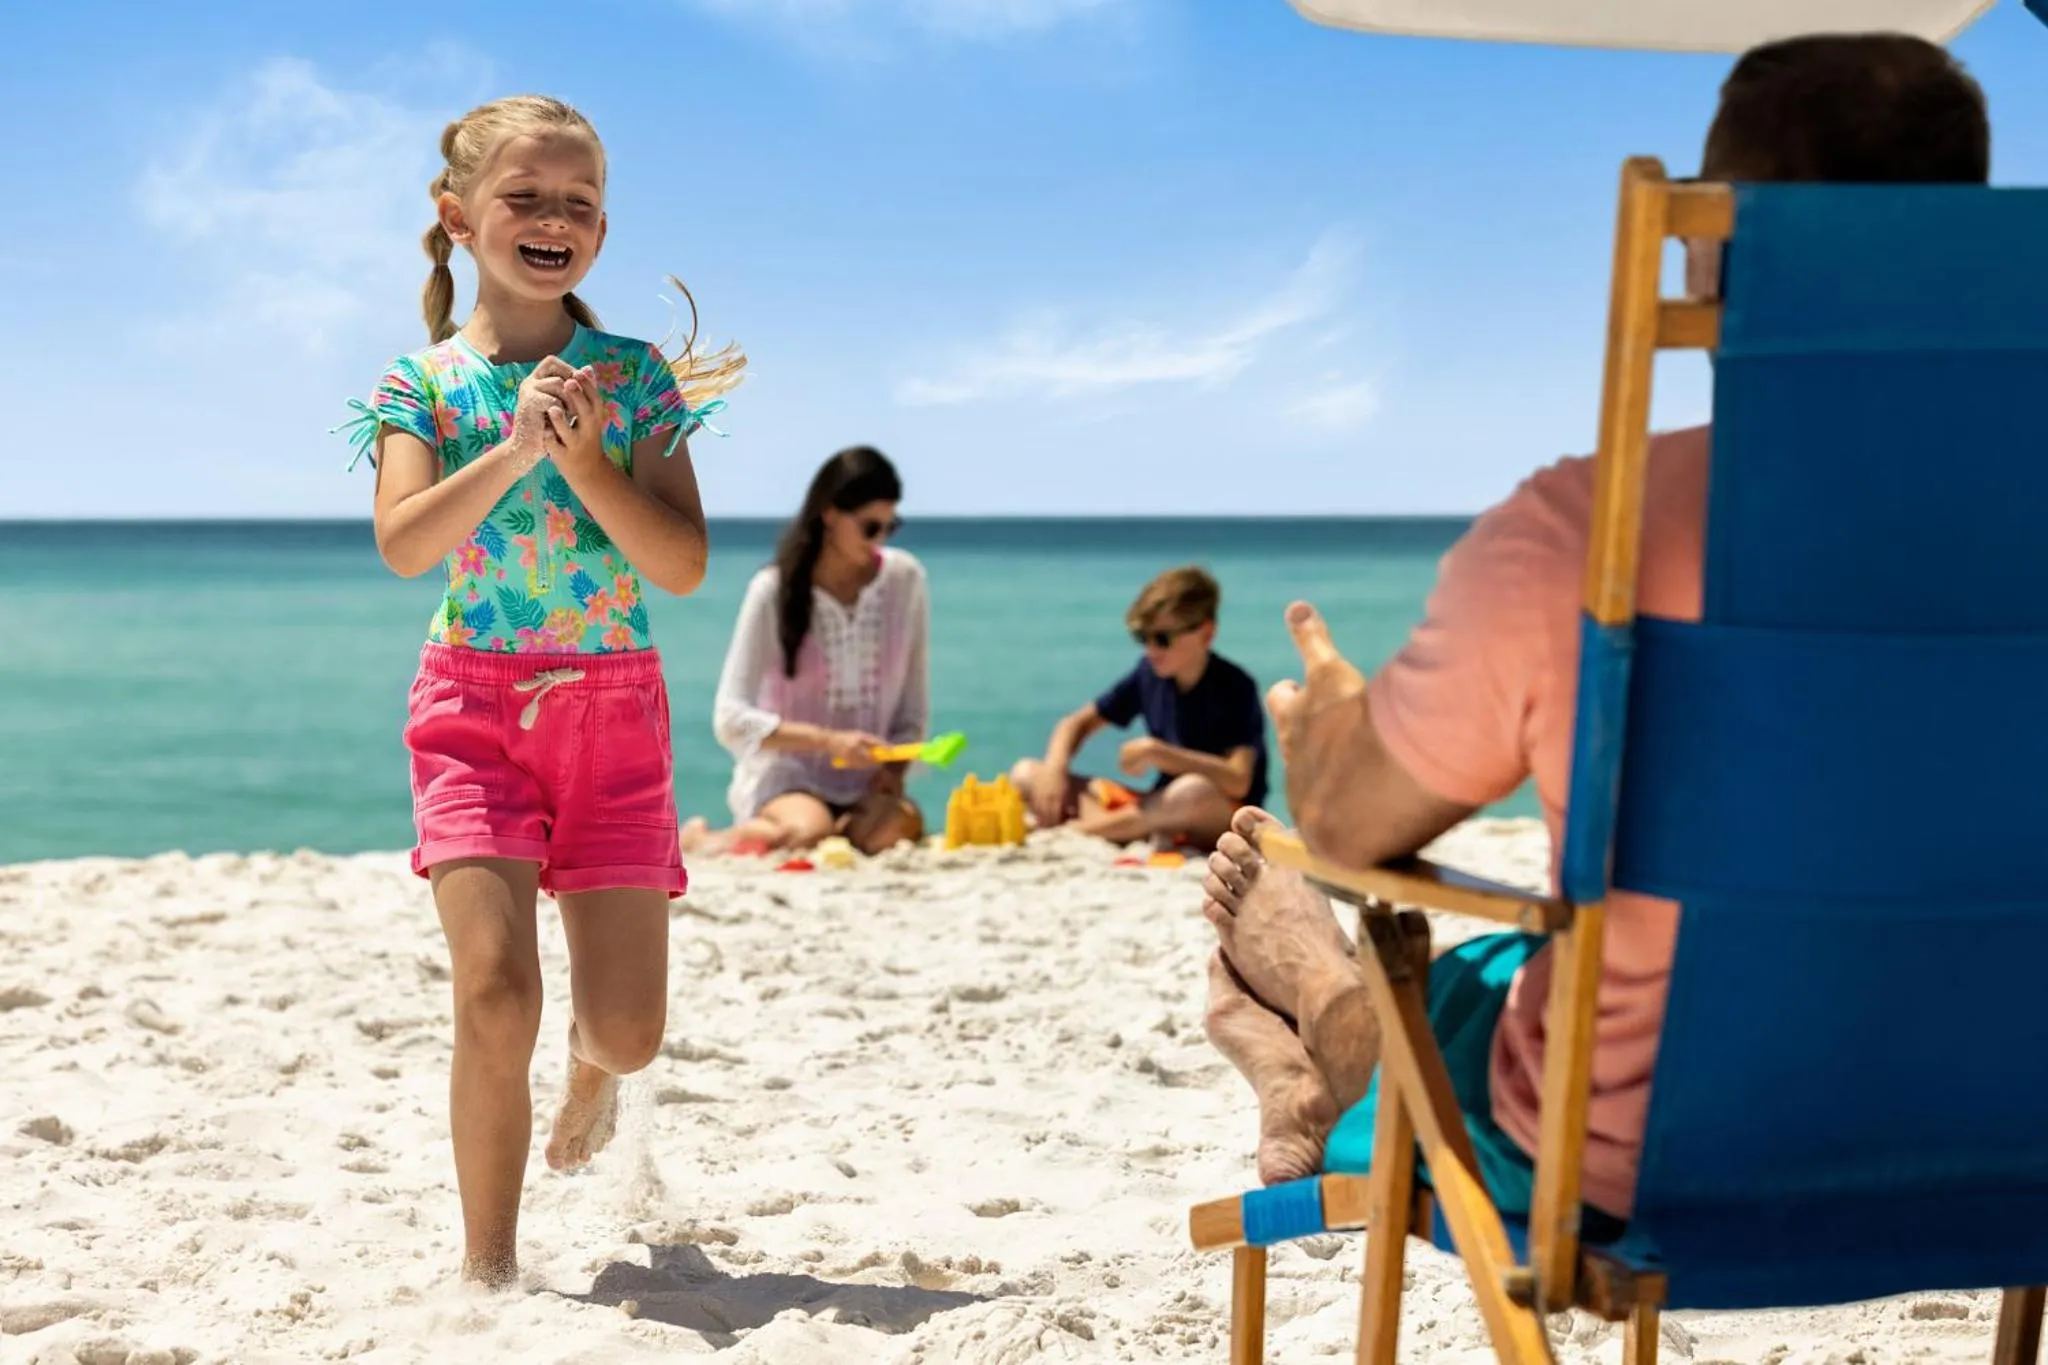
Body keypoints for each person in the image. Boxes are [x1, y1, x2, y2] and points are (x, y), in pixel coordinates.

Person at [1197, 33, 1992, 1218]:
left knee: (1414, 972)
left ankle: (1314, 1008)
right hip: (1992, 1127)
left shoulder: (1578, 538)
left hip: (1652, 1158)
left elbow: (1353, 823)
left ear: (1701, 246)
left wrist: (1322, 726)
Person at [338, 94, 744, 1288]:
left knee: (627, 1031)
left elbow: (678, 565)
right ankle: (489, 1265)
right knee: (495, 993)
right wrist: (515, 451)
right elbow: (405, 545)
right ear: (458, 217)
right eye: (525, 197)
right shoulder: (418, 386)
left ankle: (591, 1071)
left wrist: (583, 458)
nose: (552, 219)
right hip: (470, 712)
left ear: (602, 232)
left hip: (614, 711)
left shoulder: (634, 382)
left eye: (578, 203)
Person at [681, 446, 930, 857]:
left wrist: (894, 768)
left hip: (866, 786)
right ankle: (701, 840)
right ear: (829, 514)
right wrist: (829, 741)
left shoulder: (906, 581)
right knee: (808, 831)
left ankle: (834, 829)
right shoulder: (772, 591)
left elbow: (912, 711)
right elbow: (730, 719)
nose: (881, 539)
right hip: (787, 777)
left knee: (894, 829)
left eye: (891, 526)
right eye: (870, 527)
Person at [1011, 566, 1268, 851]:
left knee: (1192, 791)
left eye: (1162, 639)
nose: (1151, 650)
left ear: (1205, 634)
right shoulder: (1149, 674)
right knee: (1027, 773)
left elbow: (1238, 780)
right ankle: (1121, 828)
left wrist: (1157, 753)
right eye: (1143, 637)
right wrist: (1055, 770)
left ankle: (1083, 830)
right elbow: (1077, 724)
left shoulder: (1234, 685)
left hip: (1220, 813)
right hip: (1159, 807)